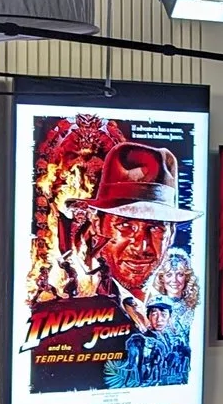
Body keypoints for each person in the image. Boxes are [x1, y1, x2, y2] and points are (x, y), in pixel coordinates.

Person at [83, 141, 199, 389]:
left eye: (156, 228)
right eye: (125, 226)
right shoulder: (79, 300)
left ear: (171, 233)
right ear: (97, 224)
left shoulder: (178, 306)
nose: (142, 247)